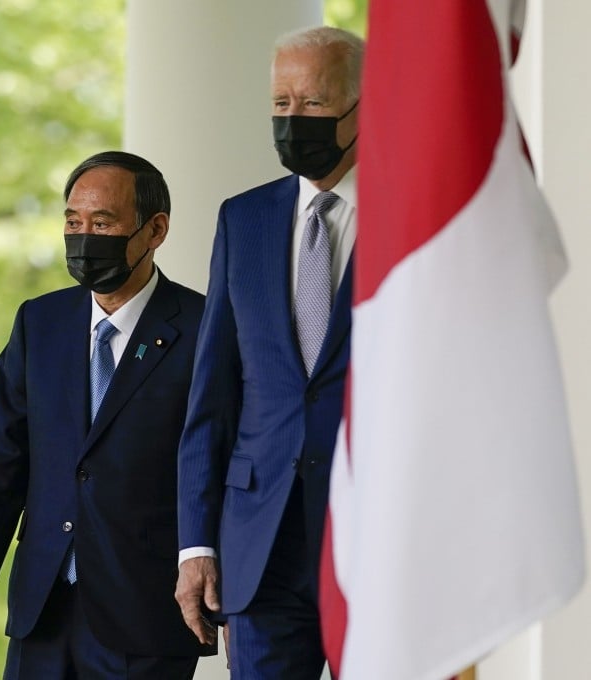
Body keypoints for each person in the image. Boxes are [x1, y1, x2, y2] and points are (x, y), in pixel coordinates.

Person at [0, 151, 212, 679]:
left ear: (155, 230)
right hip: (43, 609)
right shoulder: (39, 323)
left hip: (147, 613)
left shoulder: (205, 328)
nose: (84, 237)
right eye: (73, 222)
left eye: (103, 223)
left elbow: (217, 459)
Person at [174, 26, 364, 679]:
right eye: (281, 103)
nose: (293, 119)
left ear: (363, 105)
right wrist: (196, 545)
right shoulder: (243, 219)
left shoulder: (410, 220)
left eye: (313, 102)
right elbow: (212, 397)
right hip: (259, 547)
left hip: (378, 535)